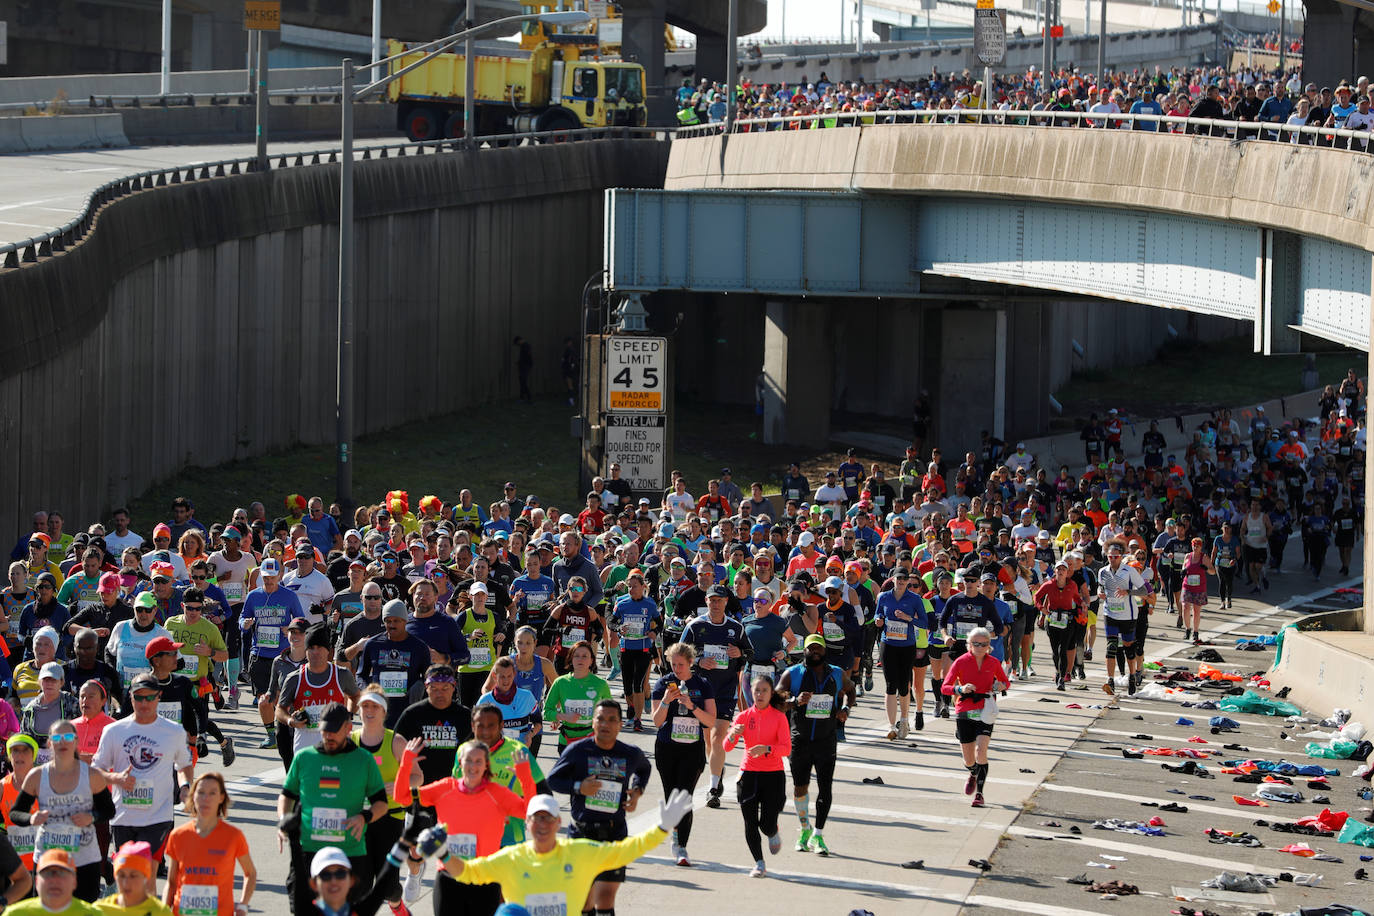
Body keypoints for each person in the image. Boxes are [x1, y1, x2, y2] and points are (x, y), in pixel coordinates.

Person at [427, 790, 693, 913]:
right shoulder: (511, 859)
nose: (542, 824)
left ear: (559, 823)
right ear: (527, 823)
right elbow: (468, 872)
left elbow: (625, 851)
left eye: (547, 818)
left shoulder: (579, 852)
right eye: (536, 818)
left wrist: (661, 827)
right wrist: (443, 854)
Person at [393, 736, 534, 916]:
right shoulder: (445, 788)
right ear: (460, 763)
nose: (473, 766)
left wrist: (525, 778)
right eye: (468, 760)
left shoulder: (497, 794)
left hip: (485, 879)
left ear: (486, 766)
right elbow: (401, 798)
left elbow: (530, 813)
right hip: (449, 877)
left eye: (478, 761)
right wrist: (405, 764)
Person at [278, 702, 389, 915]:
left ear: (348, 728)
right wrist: (284, 821)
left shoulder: (363, 760)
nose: (328, 736)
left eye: (334, 732)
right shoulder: (304, 757)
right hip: (309, 851)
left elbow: (381, 803)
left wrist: (365, 817)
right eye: (324, 731)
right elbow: (287, 795)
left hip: (350, 853)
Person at [544, 699, 652, 916]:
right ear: (593, 722)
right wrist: (579, 787)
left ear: (621, 725)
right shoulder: (578, 751)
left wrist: (637, 791)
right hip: (583, 832)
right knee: (583, 899)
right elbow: (553, 779)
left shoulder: (629, 753)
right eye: (600, 719)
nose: (605, 724)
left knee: (605, 897)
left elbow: (644, 767)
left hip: (614, 832)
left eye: (612, 720)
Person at [92, 672, 194, 875]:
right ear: (131, 697)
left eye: (149, 697)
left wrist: (184, 788)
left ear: (159, 696)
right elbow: (96, 771)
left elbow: (184, 765)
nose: (144, 702)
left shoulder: (173, 731)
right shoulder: (114, 731)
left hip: (158, 816)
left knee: (145, 872)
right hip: (123, 815)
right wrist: (115, 778)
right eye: (138, 697)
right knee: (127, 874)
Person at [10, 719, 115, 901]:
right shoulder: (37, 776)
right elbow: (16, 813)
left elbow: (109, 810)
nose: (62, 742)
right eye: (57, 737)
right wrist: (31, 818)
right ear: (49, 742)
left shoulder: (91, 775)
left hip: (84, 858)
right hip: (47, 858)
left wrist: (91, 817)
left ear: (75, 742)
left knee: (84, 910)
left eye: (68, 737)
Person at [680, 584, 750, 808]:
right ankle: (717, 770)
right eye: (712, 600)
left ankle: (712, 789)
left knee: (718, 738)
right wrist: (699, 660)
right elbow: (680, 654)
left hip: (725, 691)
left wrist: (739, 653)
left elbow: (749, 653)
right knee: (709, 741)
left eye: (720, 600)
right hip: (700, 692)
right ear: (707, 601)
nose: (716, 604)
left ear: (726, 602)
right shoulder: (695, 626)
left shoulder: (736, 628)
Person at [648, 643, 716, 867]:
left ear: (690, 662)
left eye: (681, 664)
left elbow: (711, 722)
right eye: (673, 664)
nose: (677, 669)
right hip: (667, 748)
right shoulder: (663, 683)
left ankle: (682, 846)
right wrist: (667, 701)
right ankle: (675, 834)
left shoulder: (702, 684)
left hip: (692, 750)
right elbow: (657, 721)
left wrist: (692, 706)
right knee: (672, 798)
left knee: (685, 798)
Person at [723, 674, 791, 877]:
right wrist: (734, 733)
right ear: (750, 693)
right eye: (756, 691)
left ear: (771, 694)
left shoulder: (779, 717)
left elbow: (786, 748)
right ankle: (759, 863)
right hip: (749, 774)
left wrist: (767, 748)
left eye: (764, 691)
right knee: (750, 822)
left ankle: (772, 831)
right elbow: (726, 746)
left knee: (766, 824)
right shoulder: (743, 716)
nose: (760, 694)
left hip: (773, 775)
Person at [162, 773, 256, 916]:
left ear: (221, 797)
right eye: (201, 793)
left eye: (213, 793)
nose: (206, 799)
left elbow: (250, 873)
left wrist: (242, 906)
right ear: (193, 796)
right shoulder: (178, 835)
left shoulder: (233, 836)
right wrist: (163, 909)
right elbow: (171, 882)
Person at [940, 627, 1008, 809]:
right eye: (975, 643)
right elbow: (945, 687)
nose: (979, 647)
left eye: (983, 644)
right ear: (969, 645)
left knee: (981, 751)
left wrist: (1001, 686)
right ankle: (972, 771)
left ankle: (979, 794)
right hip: (964, 710)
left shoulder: (993, 662)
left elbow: (1005, 681)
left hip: (986, 709)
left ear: (988, 646)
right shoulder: (961, 662)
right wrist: (960, 689)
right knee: (969, 759)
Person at [277, 625, 361, 754]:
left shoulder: (342, 675)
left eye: (320, 647)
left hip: (336, 742)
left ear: (328, 651)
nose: (315, 652)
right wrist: (290, 721)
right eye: (311, 648)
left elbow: (355, 696)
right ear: (305, 651)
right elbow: (280, 709)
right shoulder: (295, 678)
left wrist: (348, 715)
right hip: (305, 745)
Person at [354, 600, 431, 729]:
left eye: (396, 621)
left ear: (405, 621)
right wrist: (368, 691)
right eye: (388, 621)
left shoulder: (419, 647)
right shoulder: (373, 644)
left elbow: (429, 677)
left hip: (407, 711)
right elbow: (361, 675)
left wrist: (420, 686)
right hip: (379, 710)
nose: (392, 625)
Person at [874, 570, 929, 741]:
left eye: (905, 579)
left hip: (907, 645)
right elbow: (878, 613)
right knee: (890, 685)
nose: (902, 582)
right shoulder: (884, 597)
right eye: (899, 578)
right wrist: (878, 620)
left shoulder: (915, 599)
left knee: (904, 685)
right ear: (893, 579)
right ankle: (891, 726)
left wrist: (908, 618)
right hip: (888, 643)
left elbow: (924, 622)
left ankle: (904, 720)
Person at [607, 572, 659, 732]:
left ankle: (637, 719)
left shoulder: (650, 604)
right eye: (629, 586)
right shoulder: (622, 603)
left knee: (638, 684)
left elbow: (660, 622)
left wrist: (654, 633)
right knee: (627, 686)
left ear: (643, 587)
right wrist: (618, 628)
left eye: (634, 586)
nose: (631, 589)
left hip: (643, 649)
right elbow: (612, 621)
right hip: (626, 649)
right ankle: (631, 709)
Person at [1096, 544, 1149, 696]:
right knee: (1111, 646)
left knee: (1128, 648)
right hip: (1110, 613)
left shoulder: (1129, 571)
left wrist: (1128, 592)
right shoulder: (1103, 572)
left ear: (1121, 556)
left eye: (1116, 557)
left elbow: (1144, 590)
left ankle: (1132, 677)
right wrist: (1100, 592)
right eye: (1110, 556)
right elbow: (1100, 587)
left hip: (1128, 615)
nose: (1112, 559)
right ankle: (1110, 680)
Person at [541, 641, 611, 752]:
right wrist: (563, 716)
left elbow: (611, 713)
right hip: (567, 741)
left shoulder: (600, 684)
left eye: (584, 656)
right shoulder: (561, 682)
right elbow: (546, 712)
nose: (580, 659)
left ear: (592, 660)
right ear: (571, 659)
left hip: (592, 741)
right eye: (576, 656)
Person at [1034, 560, 1086, 690]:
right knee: (1055, 650)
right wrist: (1042, 609)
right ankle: (1058, 672)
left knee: (1063, 650)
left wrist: (1082, 605)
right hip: (1052, 620)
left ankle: (1062, 678)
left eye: (1063, 569)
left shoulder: (1072, 585)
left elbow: (1076, 597)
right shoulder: (1049, 585)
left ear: (1067, 572)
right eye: (1058, 569)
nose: (1061, 571)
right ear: (1055, 571)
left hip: (1067, 620)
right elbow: (1037, 597)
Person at [95, 841, 172, 916]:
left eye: (133, 876)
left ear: (146, 876)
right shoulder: (100, 910)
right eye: (121, 875)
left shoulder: (161, 912)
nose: (126, 882)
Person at [6, 849, 86, 916]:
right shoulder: (14, 914)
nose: (54, 880)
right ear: (36, 881)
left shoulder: (93, 914)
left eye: (62, 874)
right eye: (48, 874)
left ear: (74, 881)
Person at [1180, 537, 1216, 644]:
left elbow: (1213, 572)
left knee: (1196, 611)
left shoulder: (1204, 557)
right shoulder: (1188, 556)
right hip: (1187, 585)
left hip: (1199, 587)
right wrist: (1183, 572)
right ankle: (1187, 629)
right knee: (1185, 607)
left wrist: (1206, 568)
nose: (1195, 547)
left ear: (1201, 547)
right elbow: (1183, 567)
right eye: (1194, 545)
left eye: (1198, 546)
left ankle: (1195, 631)